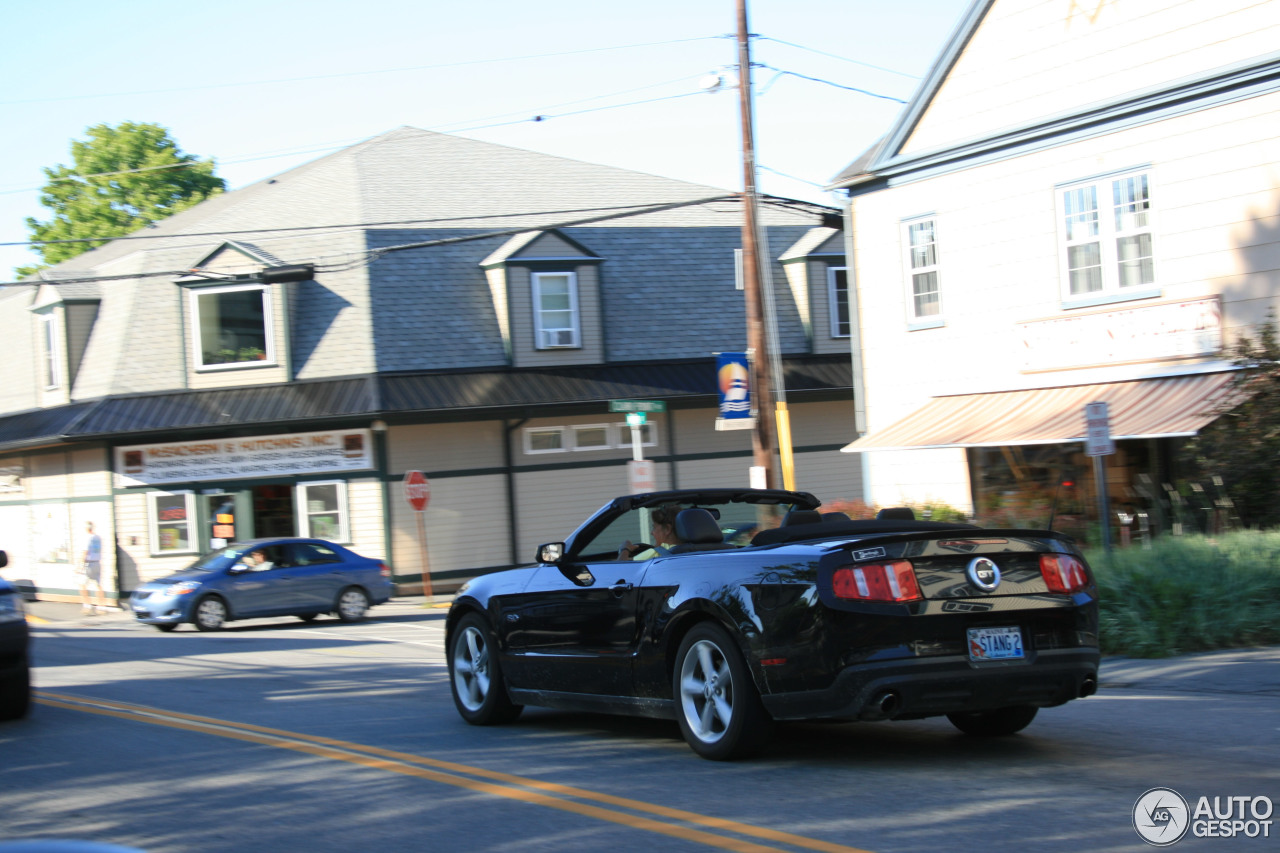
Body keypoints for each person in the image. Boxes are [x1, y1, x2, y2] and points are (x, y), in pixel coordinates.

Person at [618, 504, 684, 560]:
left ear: (667, 529)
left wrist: (625, 549)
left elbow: (620, 568)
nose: (651, 533)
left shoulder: (657, 553)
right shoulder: (692, 550)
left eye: (654, 527)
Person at [79, 521, 109, 614]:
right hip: (97, 563)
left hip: (89, 563)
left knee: (82, 585)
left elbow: (85, 552)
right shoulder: (98, 538)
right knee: (98, 585)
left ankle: (87, 606)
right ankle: (101, 607)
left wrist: (80, 565)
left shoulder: (87, 538)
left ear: (87, 528)